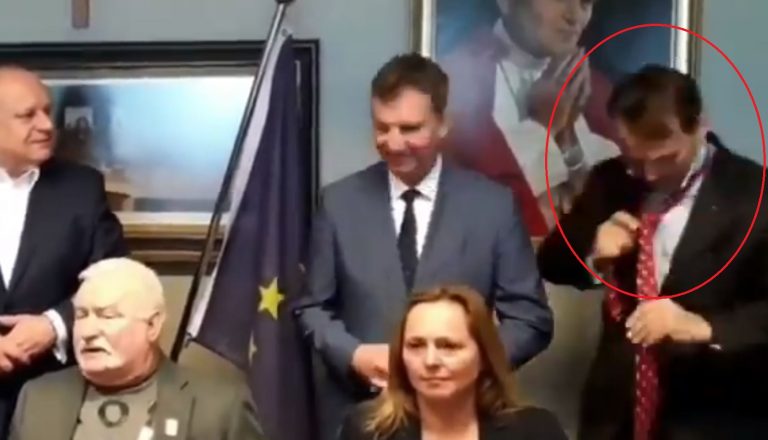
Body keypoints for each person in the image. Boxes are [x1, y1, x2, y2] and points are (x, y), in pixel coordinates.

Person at [296, 53, 553, 440]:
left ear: (443, 123)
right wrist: (354, 355)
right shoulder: (338, 202)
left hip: (462, 420)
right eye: (382, 128)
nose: (393, 142)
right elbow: (312, 307)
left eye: (409, 128)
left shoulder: (493, 207)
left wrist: (467, 365)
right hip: (361, 419)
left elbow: (530, 318)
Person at [537, 65, 768, 439]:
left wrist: (702, 327)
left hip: (717, 413)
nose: (649, 175)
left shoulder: (754, 194)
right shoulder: (610, 180)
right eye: (635, 159)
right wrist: (593, 252)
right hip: (615, 415)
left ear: (700, 126)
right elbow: (551, 262)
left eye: (666, 158)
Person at [0, 65, 127, 438]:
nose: (46, 125)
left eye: (47, 110)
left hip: (56, 398)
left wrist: (53, 326)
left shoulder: (81, 188)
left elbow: (115, 277)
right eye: (27, 115)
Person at [9, 258, 264, 440]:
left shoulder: (220, 408)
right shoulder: (38, 397)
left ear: (152, 325)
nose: (87, 331)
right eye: (81, 315)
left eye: (107, 316)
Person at [440, 0, 620, 236]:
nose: (575, 17)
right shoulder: (454, 84)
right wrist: (541, 129)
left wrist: (567, 141)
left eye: (586, 2)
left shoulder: (598, 90)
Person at [338, 285, 567, 440]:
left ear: (484, 357)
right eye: (416, 345)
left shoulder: (536, 431)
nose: (430, 361)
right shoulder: (367, 431)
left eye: (449, 346)